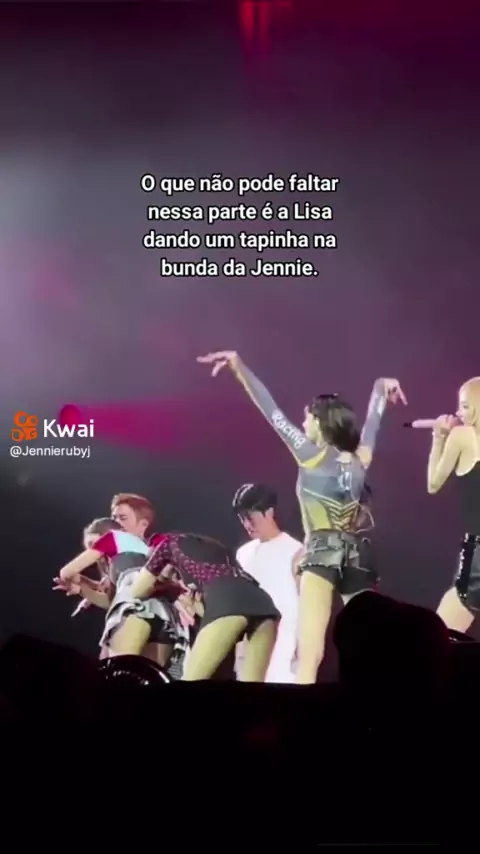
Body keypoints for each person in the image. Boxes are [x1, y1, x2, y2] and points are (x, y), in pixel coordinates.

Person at [197, 350, 406, 683]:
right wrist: (381, 388)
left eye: (307, 418)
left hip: (322, 551)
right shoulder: (360, 458)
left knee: (310, 653)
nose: (304, 423)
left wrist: (239, 367)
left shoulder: (311, 454)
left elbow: (271, 412)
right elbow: (372, 423)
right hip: (358, 554)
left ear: (320, 422)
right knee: (370, 640)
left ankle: (304, 711)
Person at [127, 532, 281, 681]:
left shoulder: (167, 545)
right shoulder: (218, 552)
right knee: (254, 692)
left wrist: (165, 584)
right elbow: (214, 613)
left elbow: (137, 590)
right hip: (263, 604)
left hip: (228, 603)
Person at [55, 518, 189, 668]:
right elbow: (110, 603)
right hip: (164, 616)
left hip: (136, 607)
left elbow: (66, 572)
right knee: (145, 676)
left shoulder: (114, 537)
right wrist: (81, 590)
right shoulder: (142, 552)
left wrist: (78, 579)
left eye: (92, 545)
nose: (93, 552)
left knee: (116, 672)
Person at [426, 377, 480, 634]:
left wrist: (438, 437)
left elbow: (433, 484)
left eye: (466, 406)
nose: (459, 412)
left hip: (478, 553)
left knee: (439, 637)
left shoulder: (463, 436)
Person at [233, 483, 302, 683]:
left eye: (251, 517)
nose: (247, 524)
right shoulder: (243, 554)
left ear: (269, 512)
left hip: (286, 646)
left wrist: (302, 646)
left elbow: (305, 604)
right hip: (251, 645)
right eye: (242, 518)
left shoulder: (295, 551)